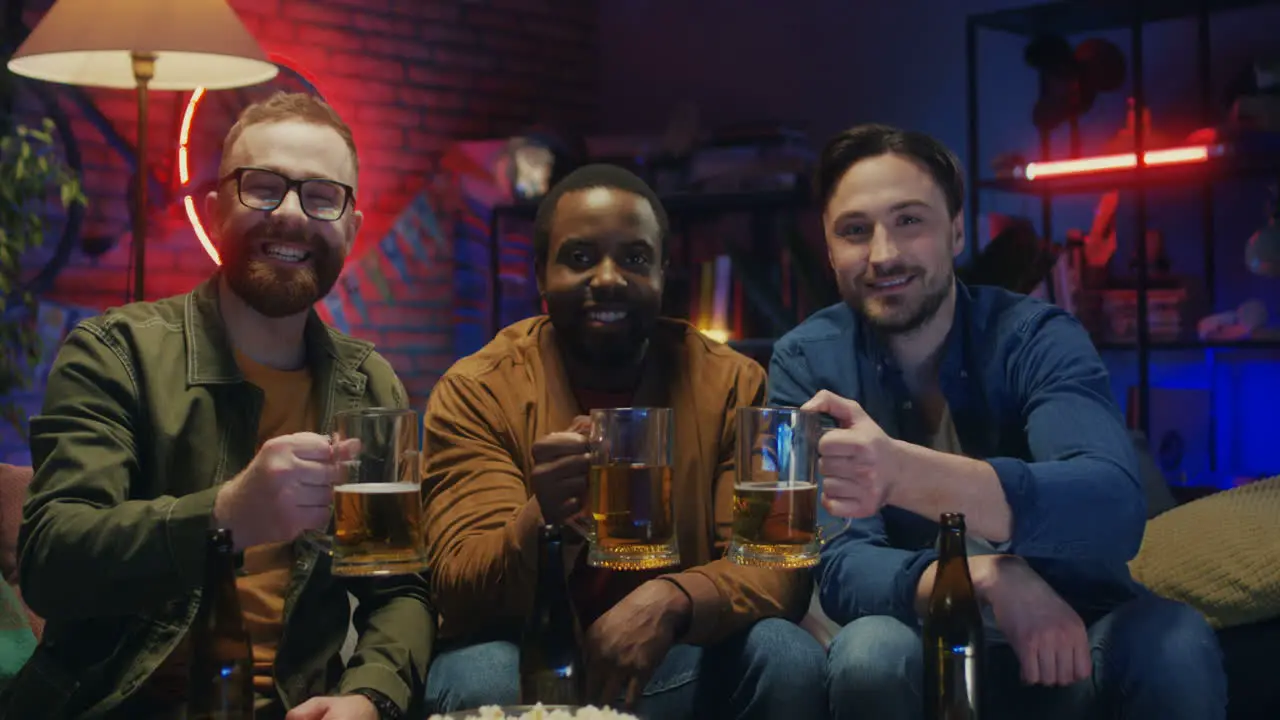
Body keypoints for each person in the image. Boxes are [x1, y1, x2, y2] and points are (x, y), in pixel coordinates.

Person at [768, 124, 1227, 720]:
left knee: (1172, 638)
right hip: (918, 637)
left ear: (956, 230)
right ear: (830, 252)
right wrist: (987, 575)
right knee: (868, 650)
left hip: (1076, 627)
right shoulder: (807, 360)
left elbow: (1110, 505)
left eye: (910, 221)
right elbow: (841, 566)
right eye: (855, 231)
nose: (883, 255)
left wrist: (901, 472)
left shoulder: (1036, 336)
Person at [7, 92, 432, 720]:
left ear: (351, 225)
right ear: (213, 209)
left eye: (321, 196)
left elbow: (399, 588)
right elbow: (50, 560)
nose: (290, 215)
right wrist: (227, 515)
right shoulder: (114, 353)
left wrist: (369, 697)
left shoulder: (369, 385)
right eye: (262, 187)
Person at [420, 164, 826, 719]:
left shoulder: (734, 383)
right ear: (540, 274)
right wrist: (546, 518)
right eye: (580, 258)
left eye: (634, 258)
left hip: (671, 659)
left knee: (787, 654)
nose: (608, 278)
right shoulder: (479, 390)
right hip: (531, 663)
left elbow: (779, 563)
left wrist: (672, 601)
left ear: (663, 271)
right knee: (480, 675)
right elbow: (460, 590)